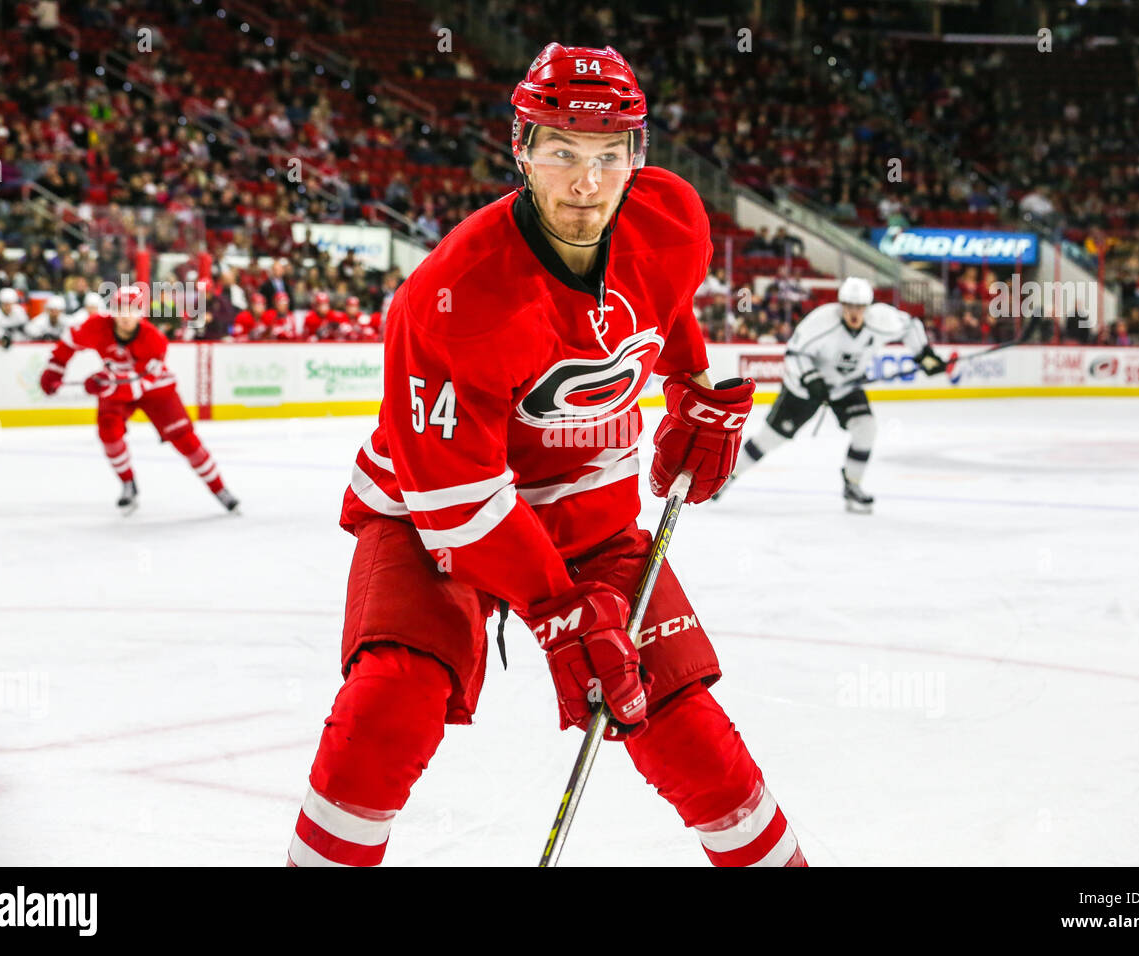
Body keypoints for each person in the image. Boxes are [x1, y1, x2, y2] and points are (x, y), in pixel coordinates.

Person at [287, 43, 805, 868]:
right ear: (521, 149)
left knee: (686, 729)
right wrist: (558, 610)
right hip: (433, 516)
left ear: (637, 157)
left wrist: (692, 387)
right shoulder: (455, 293)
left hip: (590, 517)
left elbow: (662, 303)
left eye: (607, 156)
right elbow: (459, 504)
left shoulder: (670, 217)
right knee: (393, 704)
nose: (586, 182)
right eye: (562, 151)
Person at [714, 277, 947, 513]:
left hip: (846, 386)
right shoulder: (821, 321)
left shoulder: (881, 319)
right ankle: (724, 478)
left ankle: (853, 485)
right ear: (841, 305)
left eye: (859, 307)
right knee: (770, 438)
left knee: (866, 428)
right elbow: (795, 354)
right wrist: (812, 379)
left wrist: (924, 354)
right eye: (849, 306)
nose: (854, 313)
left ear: (867, 307)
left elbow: (910, 325)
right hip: (803, 389)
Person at [37, 286, 239, 515]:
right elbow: (67, 342)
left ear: (141, 313)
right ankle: (127, 483)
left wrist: (106, 381)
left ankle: (219, 489)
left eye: (131, 310)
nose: (125, 316)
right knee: (108, 431)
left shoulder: (154, 340)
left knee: (186, 441)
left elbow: (137, 386)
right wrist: (54, 371)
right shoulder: (96, 326)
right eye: (120, 309)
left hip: (156, 391)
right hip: (116, 387)